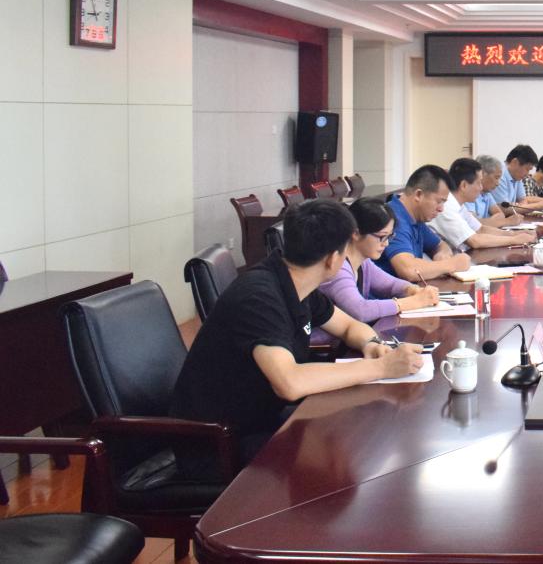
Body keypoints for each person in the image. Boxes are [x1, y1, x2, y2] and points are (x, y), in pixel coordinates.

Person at [170, 199, 425, 478]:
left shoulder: (297, 282)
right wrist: (380, 368)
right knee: (349, 458)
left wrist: (372, 345)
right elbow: (289, 383)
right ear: (333, 259)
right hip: (220, 443)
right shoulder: (259, 296)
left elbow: (349, 327)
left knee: (357, 437)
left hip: (260, 419)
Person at [378, 165, 472, 281]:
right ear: (418, 195)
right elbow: (408, 270)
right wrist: (452, 264)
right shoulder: (393, 219)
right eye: (439, 201)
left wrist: (442, 254)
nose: (441, 209)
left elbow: (440, 245)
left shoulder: (416, 217)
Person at [434, 157, 537, 251]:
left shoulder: (459, 205)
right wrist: (515, 240)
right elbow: (475, 241)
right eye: (478, 183)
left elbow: (480, 229)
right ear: (464, 185)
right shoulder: (447, 207)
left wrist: (514, 234)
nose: (481, 188)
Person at [490, 144, 543, 211]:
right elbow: (504, 209)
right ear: (515, 162)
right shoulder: (499, 174)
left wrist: (520, 207)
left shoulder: (516, 175)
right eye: (527, 169)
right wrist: (539, 206)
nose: (527, 174)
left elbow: (523, 199)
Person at [467, 156, 523, 227]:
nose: (498, 183)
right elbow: (473, 225)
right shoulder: (469, 194)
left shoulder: (487, 193)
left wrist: (489, 222)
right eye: (496, 178)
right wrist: (507, 221)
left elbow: (500, 214)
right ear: (482, 174)